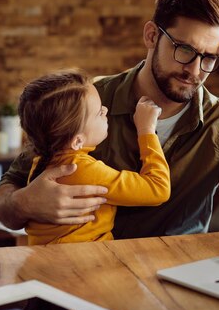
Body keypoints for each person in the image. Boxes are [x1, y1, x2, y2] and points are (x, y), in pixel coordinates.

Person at [0, 0, 219, 238]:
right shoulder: (87, 104)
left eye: (209, 58)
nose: (195, 71)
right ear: (152, 35)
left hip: (180, 280)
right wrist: (23, 203)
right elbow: (8, 196)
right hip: (88, 281)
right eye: (184, 50)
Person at [17, 70, 170, 244]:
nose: (106, 110)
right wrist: (146, 131)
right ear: (77, 141)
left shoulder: (42, 161)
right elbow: (158, 189)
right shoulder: (82, 170)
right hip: (81, 263)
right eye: (99, 113)